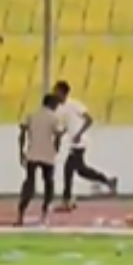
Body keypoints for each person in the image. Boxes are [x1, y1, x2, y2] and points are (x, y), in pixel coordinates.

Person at [51, 80, 117, 209]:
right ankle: (108, 180)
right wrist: (60, 136)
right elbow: (65, 126)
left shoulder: (74, 104)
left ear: (62, 92)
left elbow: (89, 120)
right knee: (81, 170)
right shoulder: (60, 109)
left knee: (68, 169)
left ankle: (66, 199)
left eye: (56, 91)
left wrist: (79, 134)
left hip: (80, 142)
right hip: (73, 143)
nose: (54, 93)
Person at [18, 93, 62, 227]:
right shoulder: (54, 118)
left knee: (29, 183)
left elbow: (22, 134)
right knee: (48, 183)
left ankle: (21, 213)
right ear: (52, 104)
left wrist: (21, 151)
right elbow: (58, 135)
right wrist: (56, 149)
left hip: (32, 153)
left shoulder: (31, 115)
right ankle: (44, 214)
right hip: (48, 154)